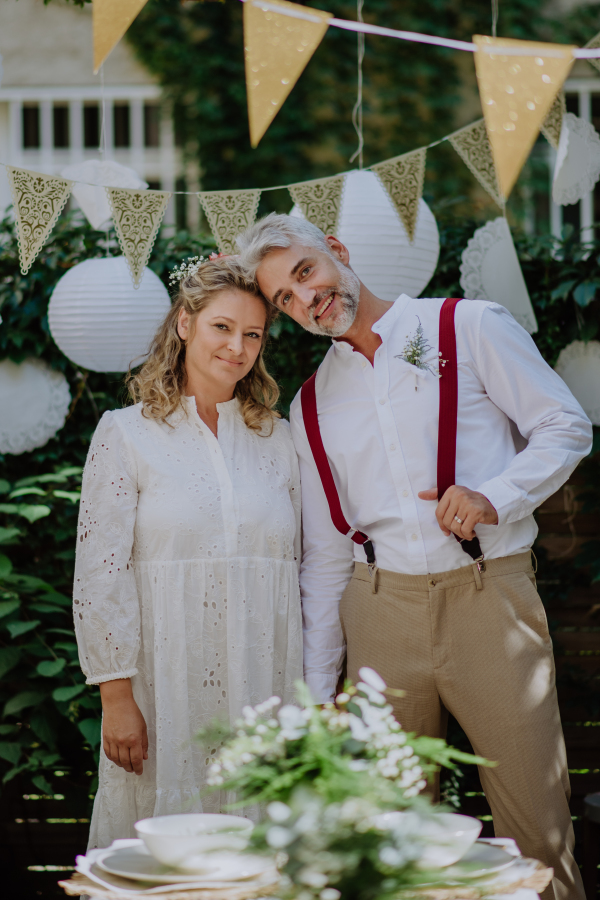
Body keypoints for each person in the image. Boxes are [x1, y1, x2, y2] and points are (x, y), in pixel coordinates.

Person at [236, 213, 592, 900]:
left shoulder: (469, 327)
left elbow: (564, 424)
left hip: (492, 599)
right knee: (384, 840)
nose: (305, 300)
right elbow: (327, 554)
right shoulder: (311, 405)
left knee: (537, 836)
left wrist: (495, 495)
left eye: (305, 273)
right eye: (284, 298)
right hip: (380, 616)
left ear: (336, 252)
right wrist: (317, 692)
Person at [73, 255, 303, 850]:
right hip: (162, 689)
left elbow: (304, 569)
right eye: (222, 327)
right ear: (184, 324)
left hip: (265, 682)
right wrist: (116, 697)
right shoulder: (125, 433)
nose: (238, 346)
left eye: (253, 334)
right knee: (162, 849)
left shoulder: (279, 439)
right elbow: (101, 575)